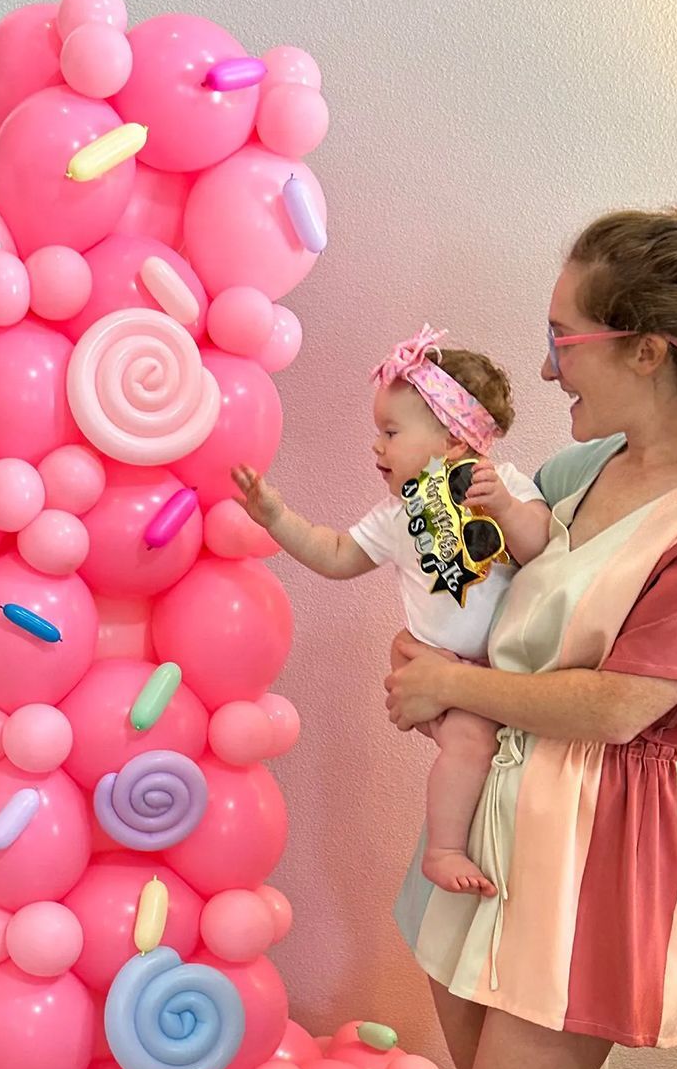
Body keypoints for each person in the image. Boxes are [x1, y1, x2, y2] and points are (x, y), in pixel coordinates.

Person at [386, 210, 677, 1069]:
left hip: (587, 851)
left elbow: (620, 707)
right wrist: (424, 647)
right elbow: (491, 588)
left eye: (562, 340)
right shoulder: (587, 462)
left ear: (644, 348)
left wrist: (449, 683)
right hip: (483, 818)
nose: (544, 371)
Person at [233, 326, 550, 898]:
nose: (376, 446)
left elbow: (540, 548)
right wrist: (277, 518)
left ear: (454, 440)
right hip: (440, 659)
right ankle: (444, 849)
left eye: (391, 432)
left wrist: (503, 506)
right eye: (378, 432)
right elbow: (336, 555)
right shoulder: (400, 511)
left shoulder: (500, 483)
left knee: (491, 751)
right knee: (471, 743)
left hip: (501, 667)